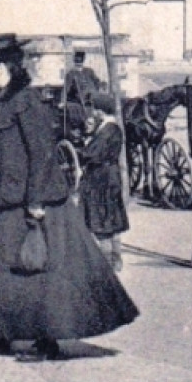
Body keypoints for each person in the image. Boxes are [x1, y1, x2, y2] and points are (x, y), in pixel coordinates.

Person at [0, 33, 138, 362]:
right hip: (7, 199)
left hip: (34, 200)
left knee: (41, 270)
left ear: (3, 67)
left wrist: (36, 202)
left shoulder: (26, 101)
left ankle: (46, 340)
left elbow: (42, 153)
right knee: (2, 268)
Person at [78, 98, 129, 271]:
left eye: (95, 110)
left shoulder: (107, 130)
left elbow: (92, 154)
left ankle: (106, 264)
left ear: (101, 111)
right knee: (112, 220)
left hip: (101, 178)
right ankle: (117, 259)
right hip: (111, 176)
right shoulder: (114, 128)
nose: (93, 113)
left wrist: (81, 150)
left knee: (102, 222)